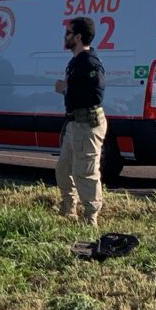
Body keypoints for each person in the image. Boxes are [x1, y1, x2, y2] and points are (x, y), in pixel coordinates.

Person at [54, 17, 106, 227]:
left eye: (68, 33)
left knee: (85, 172)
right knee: (64, 168)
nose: (64, 36)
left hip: (87, 124)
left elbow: (96, 94)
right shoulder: (76, 61)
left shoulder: (89, 63)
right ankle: (68, 208)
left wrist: (66, 88)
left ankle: (90, 217)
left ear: (77, 37)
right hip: (75, 123)